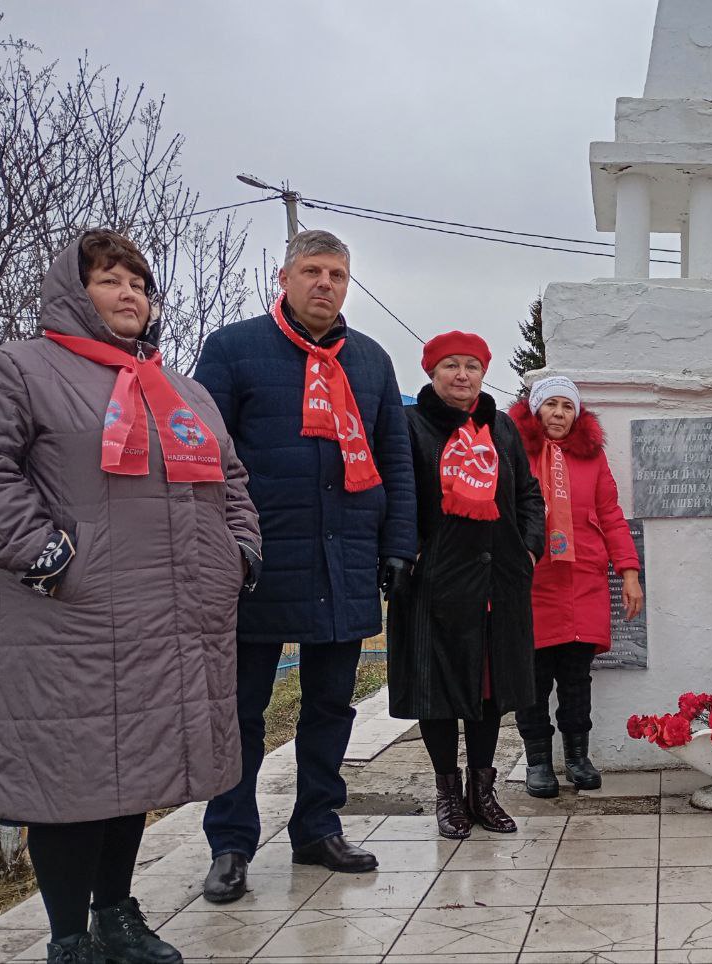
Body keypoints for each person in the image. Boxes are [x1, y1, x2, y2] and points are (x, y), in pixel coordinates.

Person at [0, 231, 260, 964]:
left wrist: (238, 555)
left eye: (139, 282)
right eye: (111, 281)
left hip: (166, 618)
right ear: (75, 295)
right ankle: (69, 937)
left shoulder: (182, 390)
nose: (131, 294)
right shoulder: (20, 370)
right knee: (70, 779)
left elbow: (232, 481)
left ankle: (116, 916)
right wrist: (48, 556)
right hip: (65, 617)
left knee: (133, 769)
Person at [195, 230, 417, 902]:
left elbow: (395, 459)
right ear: (285, 277)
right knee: (241, 711)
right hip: (256, 564)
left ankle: (317, 826)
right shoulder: (233, 350)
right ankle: (230, 843)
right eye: (312, 271)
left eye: (338, 274)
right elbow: (203, 456)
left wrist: (398, 544)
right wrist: (216, 549)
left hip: (344, 560)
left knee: (329, 705)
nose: (326, 284)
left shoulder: (371, 362)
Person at [388, 331, 544, 839]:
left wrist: (529, 547)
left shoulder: (500, 427)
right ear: (432, 373)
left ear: (483, 372)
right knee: (437, 690)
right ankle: (447, 793)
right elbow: (398, 496)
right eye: (451, 365)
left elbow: (526, 491)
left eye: (471, 366)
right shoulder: (411, 426)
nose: (462, 375)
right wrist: (407, 556)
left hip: (497, 579)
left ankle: (483, 792)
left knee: (486, 691)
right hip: (434, 582)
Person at [509, 376, 644, 796]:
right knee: (531, 678)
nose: (559, 414)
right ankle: (537, 762)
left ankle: (577, 758)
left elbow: (610, 514)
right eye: (551, 405)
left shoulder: (592, 459)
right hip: (531, 581)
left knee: (575, 677)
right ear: (535, 410)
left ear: (577, 414)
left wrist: (629, 572)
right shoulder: (515, 452)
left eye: (567, 407)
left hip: (582, 580)